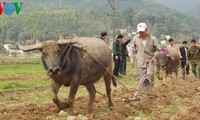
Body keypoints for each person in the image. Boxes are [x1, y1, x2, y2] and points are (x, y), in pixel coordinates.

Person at [127, 23, 160, 88]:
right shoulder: (135, 39)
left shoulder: (153, 39)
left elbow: (157, 50)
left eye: (142, 32)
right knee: (142, 79)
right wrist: (132, 59)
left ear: (146, 30)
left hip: (150, 61)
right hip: (140, 62)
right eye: (139, 32)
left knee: (149, 76)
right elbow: (132, 49)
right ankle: (143, 93)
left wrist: (154, 57)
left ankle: (150, 90)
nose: (141, 33)